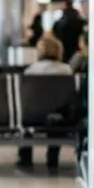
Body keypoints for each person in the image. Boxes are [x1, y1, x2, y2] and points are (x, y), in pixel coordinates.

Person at [18, 34, 74, 170]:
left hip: (33, 116)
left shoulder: (30, 70)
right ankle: (52, 157)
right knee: (57, 119)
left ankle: (25, 157)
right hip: (59, 116)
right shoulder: (66, 70)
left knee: (27, 123)